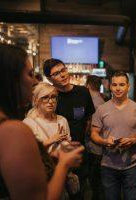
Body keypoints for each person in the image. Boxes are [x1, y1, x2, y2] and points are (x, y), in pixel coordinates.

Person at [0, 43, 47, 200]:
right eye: (30, 74)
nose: (35, 82)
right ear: (10, 79)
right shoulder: (13, 130)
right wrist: (64, 164)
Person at [43, 58, 95, 199]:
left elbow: (89, 118)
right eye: (56, 73)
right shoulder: (50, 98)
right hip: (56, 156)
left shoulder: (83, 92)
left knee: (80, 192)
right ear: (49, 78)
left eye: (63, 70)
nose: (63, 75)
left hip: (79, 152)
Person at [91, 71, 136, 200]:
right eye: (115, 85)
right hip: (108, 165)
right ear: (110, 87)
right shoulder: (102, 109)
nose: (118, 88)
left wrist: (133, 141)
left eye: (122, 84)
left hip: (132, 165)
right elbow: (94, 134)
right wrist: (105, 141)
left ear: (128, 86)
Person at [23, 82, 71, 154]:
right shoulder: (28, 123)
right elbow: (27, 152)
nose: (51, 101)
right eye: (45, 97)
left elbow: (68, 147)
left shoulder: (62, 120)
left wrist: (66, 143)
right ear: (36, 100)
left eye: (53, 97)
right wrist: (52, 140)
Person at [85, 75, 106, 200]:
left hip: (93, 146)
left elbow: (89, 125)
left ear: (88, 85)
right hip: (101, 146)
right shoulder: (104, 100)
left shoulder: (90, 101)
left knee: (95, 181)